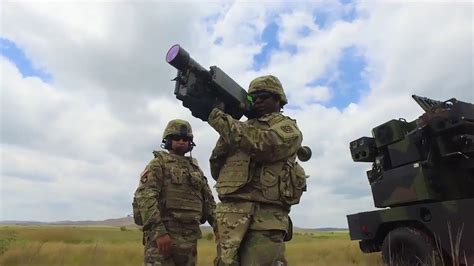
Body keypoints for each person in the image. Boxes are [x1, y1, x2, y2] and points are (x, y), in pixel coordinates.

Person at [185, 75, 307, 265]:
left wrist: (215, 116)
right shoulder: (240, 128)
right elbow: (217, 166)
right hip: (230, 217)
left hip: (264, 218)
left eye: (263, 96)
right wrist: (226, 119)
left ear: (278, 99)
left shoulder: (286, 127)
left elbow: (264, 145)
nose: (257, 101)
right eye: (252, 98)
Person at [132, 119, 217, 266]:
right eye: (176, 138)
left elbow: (209, 203)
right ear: (168, 140)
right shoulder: (158, 164)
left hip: (189, 240)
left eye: (185, 139)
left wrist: (219, 228)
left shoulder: (195, 169)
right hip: (164, 239)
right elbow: (145, 197)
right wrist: (159, 232)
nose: (181, 141)